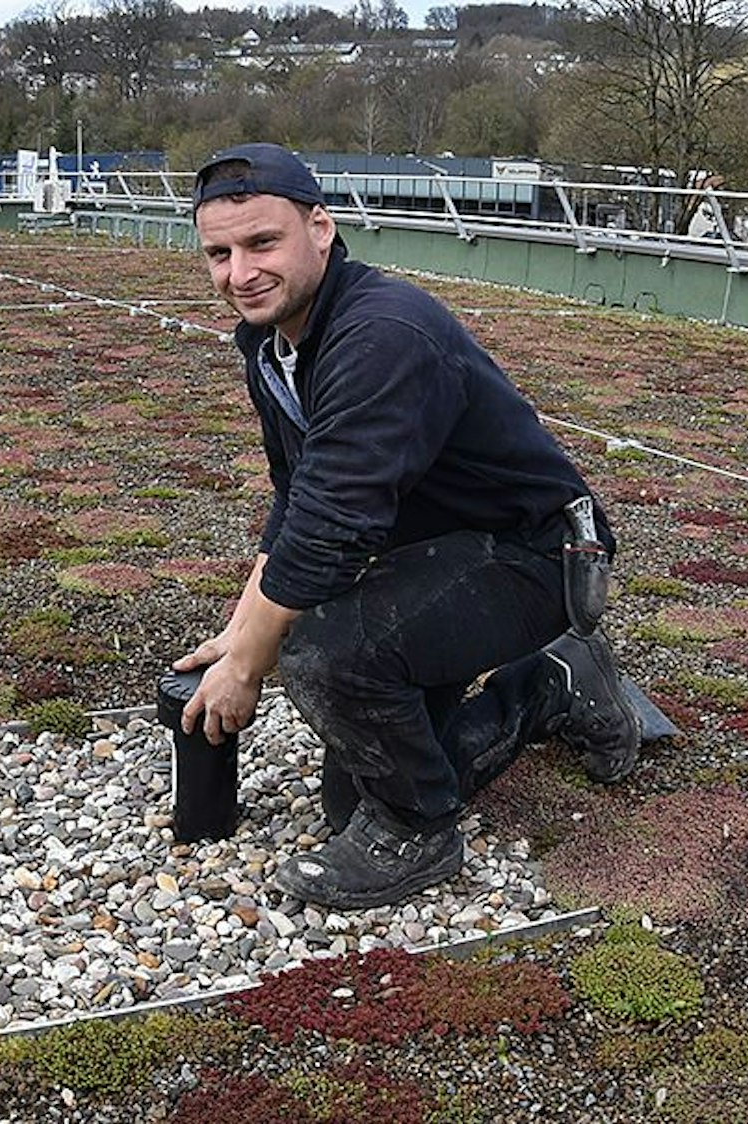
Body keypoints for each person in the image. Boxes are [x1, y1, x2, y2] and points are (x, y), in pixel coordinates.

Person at [173, 143, 642, 910]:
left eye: (262, 243)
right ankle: (558, 684)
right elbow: (298, 492)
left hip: (532, 552)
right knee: (347, 798)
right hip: (436, 554)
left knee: (324, 655)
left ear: (319, 228)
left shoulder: (382, 333)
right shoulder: (269, 343)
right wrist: (239, 625)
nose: (239, 273)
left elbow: (332, 527)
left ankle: (419, 832)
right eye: (218, 254)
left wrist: (250, 663)